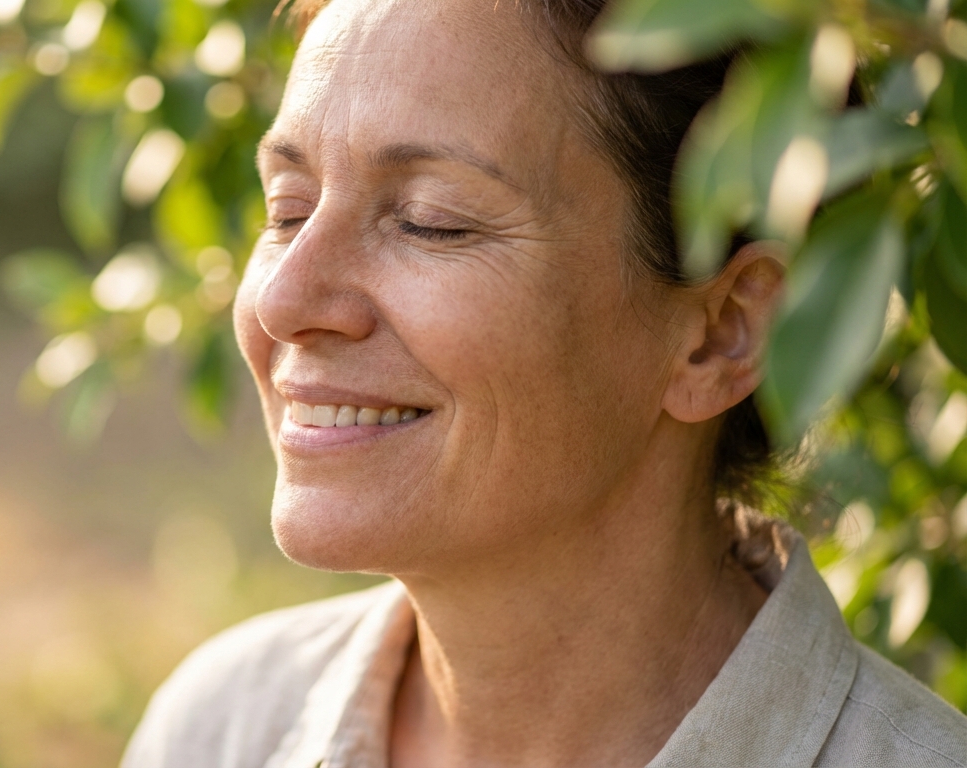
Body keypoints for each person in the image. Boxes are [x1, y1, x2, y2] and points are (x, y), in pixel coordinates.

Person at [122, 0, 967, 765]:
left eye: (430, 220)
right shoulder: (217, 730)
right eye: (288, 209)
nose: (282, 300)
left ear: (721, 333)